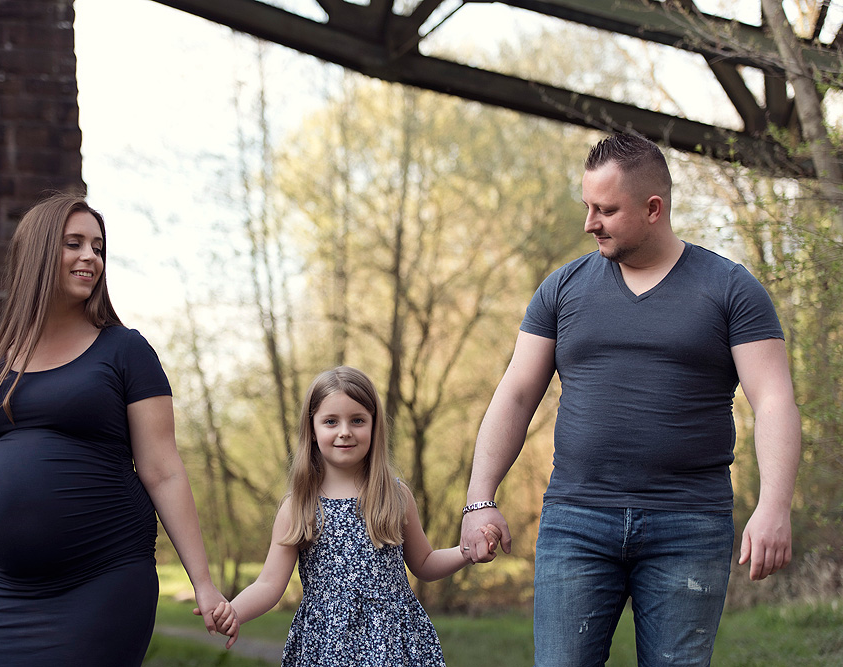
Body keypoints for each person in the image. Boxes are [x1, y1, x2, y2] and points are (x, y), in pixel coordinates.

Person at [460, 133, 801, 665]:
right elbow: (518, 393)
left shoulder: (731, 288)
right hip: (576, 521)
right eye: (587, 206)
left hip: (688, 525)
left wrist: (774, 505)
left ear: (653, 209)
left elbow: (775, 400)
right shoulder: (562, 289)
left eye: (606, 209)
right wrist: (480, 499)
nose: (589, 222)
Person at [0, 194, 230, 667]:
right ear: (38, 253)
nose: (91, 257)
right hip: (2, 593)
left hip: (104, 580)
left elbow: (163, 471)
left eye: (98, 247)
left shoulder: (125, 351)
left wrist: (204, 582)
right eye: (75, 244)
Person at [203, 366, 500, 664]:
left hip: (392, 642)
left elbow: (423, 563)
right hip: (325, 645)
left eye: (357, 420)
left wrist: (466, 552)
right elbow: (268, 584)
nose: (345, 431)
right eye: (331, 421)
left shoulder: (395, 496)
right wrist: (235, 612)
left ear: (374, 426)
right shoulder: (299, 507)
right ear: (313, 430)